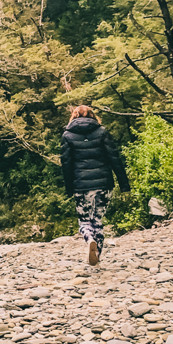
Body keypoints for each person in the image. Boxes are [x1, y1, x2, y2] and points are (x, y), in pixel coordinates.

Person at [60, 105, 130, 265]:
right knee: (97, 219)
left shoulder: (67, 135)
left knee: (84, 220)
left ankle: (89, 239)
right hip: (103, 184)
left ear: (74, 116)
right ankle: (97, 252)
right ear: (92, 115)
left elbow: (66, 164)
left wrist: (69, 188)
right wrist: (124, 184)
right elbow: (114, 158)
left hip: (81, 186)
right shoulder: (102, 132)